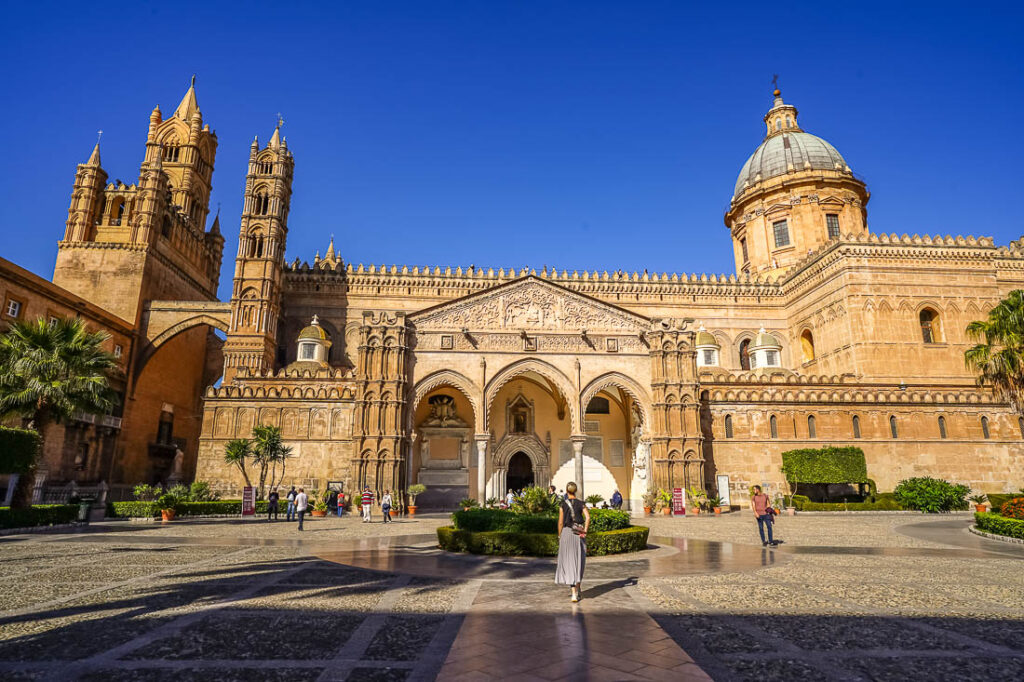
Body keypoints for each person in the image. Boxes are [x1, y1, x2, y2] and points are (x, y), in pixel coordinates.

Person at [555, 481, 590, 603]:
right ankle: (578, 588)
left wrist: (560, 536)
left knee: (569, 562)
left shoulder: (563, 504)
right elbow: (588, 517)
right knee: (579, 561)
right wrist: (584, 530)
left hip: (567, 532)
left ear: (566, 490)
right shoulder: (581, 503)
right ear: (575, 490)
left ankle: (574, 593)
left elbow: (560, 522)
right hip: (579, 533)